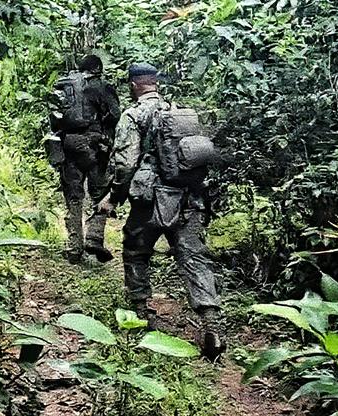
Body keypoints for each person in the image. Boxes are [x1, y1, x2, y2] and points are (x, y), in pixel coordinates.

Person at [99, 62, 225, 360]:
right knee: (194, 258)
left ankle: (140, 313)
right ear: (156, 82)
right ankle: (211, 324)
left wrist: (113, 198)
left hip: (151, 201)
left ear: (133, 86)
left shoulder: (133, 115)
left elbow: (125, 164)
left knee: (135, 251)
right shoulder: (177, 113)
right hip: (188, 199)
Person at [46, 55, 120, 263]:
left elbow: (53, 117)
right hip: (95, 144)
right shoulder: (100, 85)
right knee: (100, 193)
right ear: (97, 68)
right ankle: (94, 238)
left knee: (73, 196)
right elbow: (115, 114)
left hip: (68, 143)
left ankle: (74, 247)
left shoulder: (62, 84)